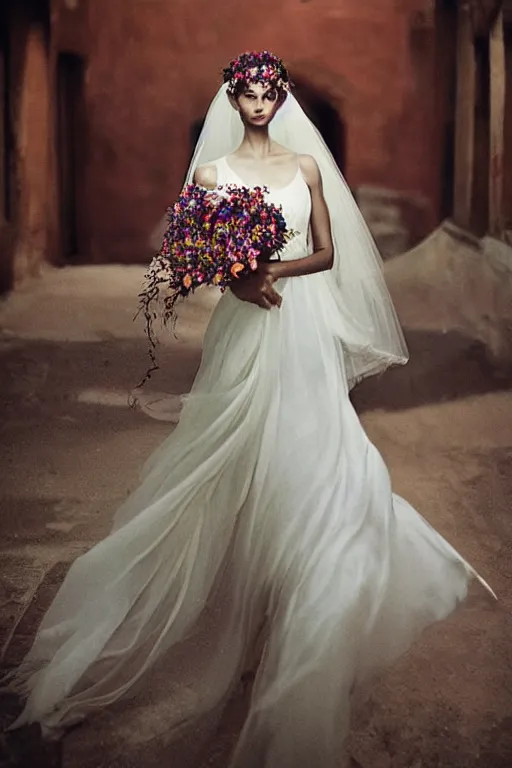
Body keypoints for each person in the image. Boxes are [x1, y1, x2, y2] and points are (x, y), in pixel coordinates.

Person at [4, 51, 494, 768]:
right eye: (247, 94)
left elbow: (326, 252)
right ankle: (230, 605)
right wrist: (233, 280)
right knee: (227, 459)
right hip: (243, 333)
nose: (259, 102)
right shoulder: (211, 176)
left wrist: (268, 269)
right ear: (233, 100)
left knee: (319, 458)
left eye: (268, 92)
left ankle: (309, 616)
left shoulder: (305, 169)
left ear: (281, 95)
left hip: (299, 329)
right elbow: (188, 257)